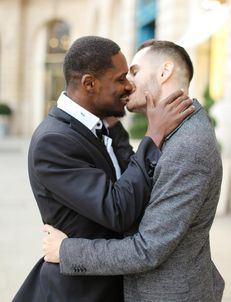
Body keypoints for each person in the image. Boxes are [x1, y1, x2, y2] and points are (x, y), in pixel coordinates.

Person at [13, 36, 193, 302]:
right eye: (120, 79)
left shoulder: (96, 124)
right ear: (90, 84)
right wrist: (153, 135)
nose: (129, 85)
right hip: (80, 292)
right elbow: (118, 210)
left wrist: (113, 120)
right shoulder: (54, 141)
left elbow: (132, 178)